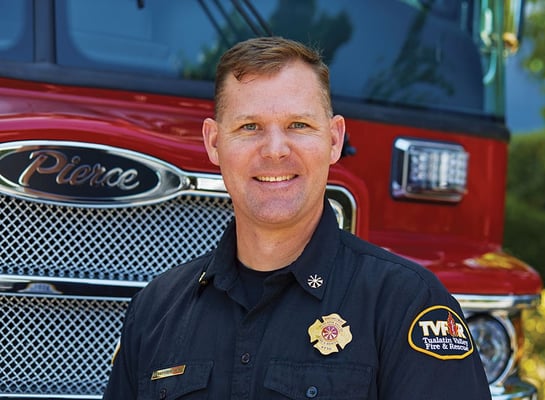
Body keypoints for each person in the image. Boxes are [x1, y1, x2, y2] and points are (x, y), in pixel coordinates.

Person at [103, 36, 491, 399]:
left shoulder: (406, 306)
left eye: (299, 126)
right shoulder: (155, 310)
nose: (275, 150)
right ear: (214, 143)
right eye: (249, 127)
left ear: (335, 139)